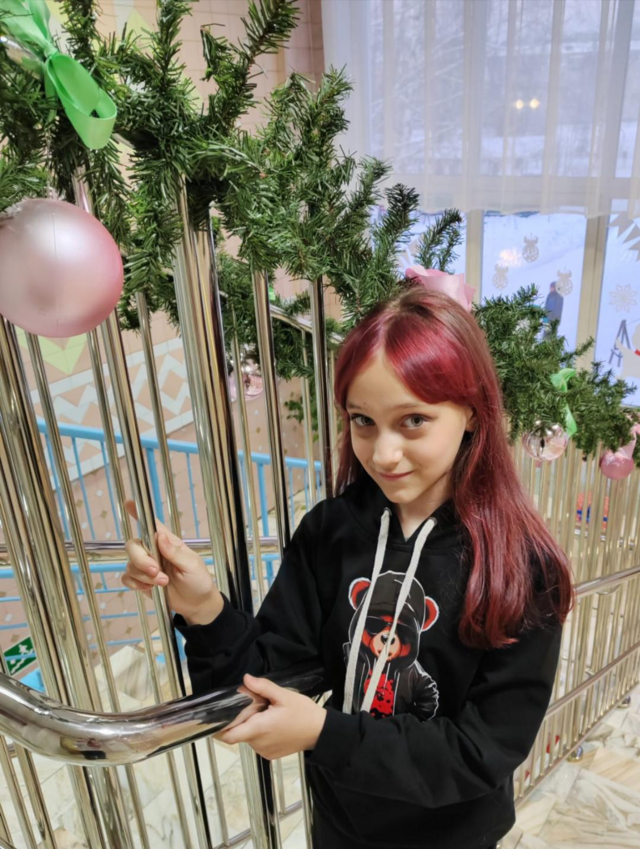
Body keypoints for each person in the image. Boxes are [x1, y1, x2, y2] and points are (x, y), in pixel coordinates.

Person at [122, 286, 574, 849]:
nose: (383, 453)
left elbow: (483, 751)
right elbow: (260, 684)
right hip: (337, 826)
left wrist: (325, 733)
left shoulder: (523, 566)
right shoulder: (329, 532)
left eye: (413, 420)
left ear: (472, 413)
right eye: (363, 420)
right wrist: (202, 608)